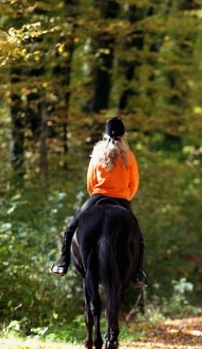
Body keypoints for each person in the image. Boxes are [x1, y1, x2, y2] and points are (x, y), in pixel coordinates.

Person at [50, 117, 147, 288]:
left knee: (71, 227)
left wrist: (98, 195)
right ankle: (138, 274)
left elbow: (90, 183)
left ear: (105, 134)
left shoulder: (97, 155)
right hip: (122, 199)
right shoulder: (129, 157)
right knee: (137, 236)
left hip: (97, 197)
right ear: (124, 135)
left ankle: (63, 263)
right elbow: (134, 184)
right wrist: (124, 196)